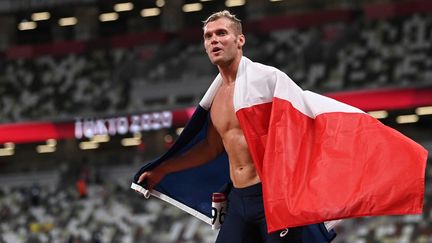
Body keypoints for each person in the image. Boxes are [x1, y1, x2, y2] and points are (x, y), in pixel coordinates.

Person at [137, 10, 308, 242]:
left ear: (240, 40)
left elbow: (303, 127)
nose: (214, 40)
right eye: (208, 37)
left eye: (221, 33)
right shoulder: (216, 98)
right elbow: (211, 148)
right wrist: (164, 169)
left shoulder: (269, 80)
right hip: (239, 199)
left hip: (274, 197)